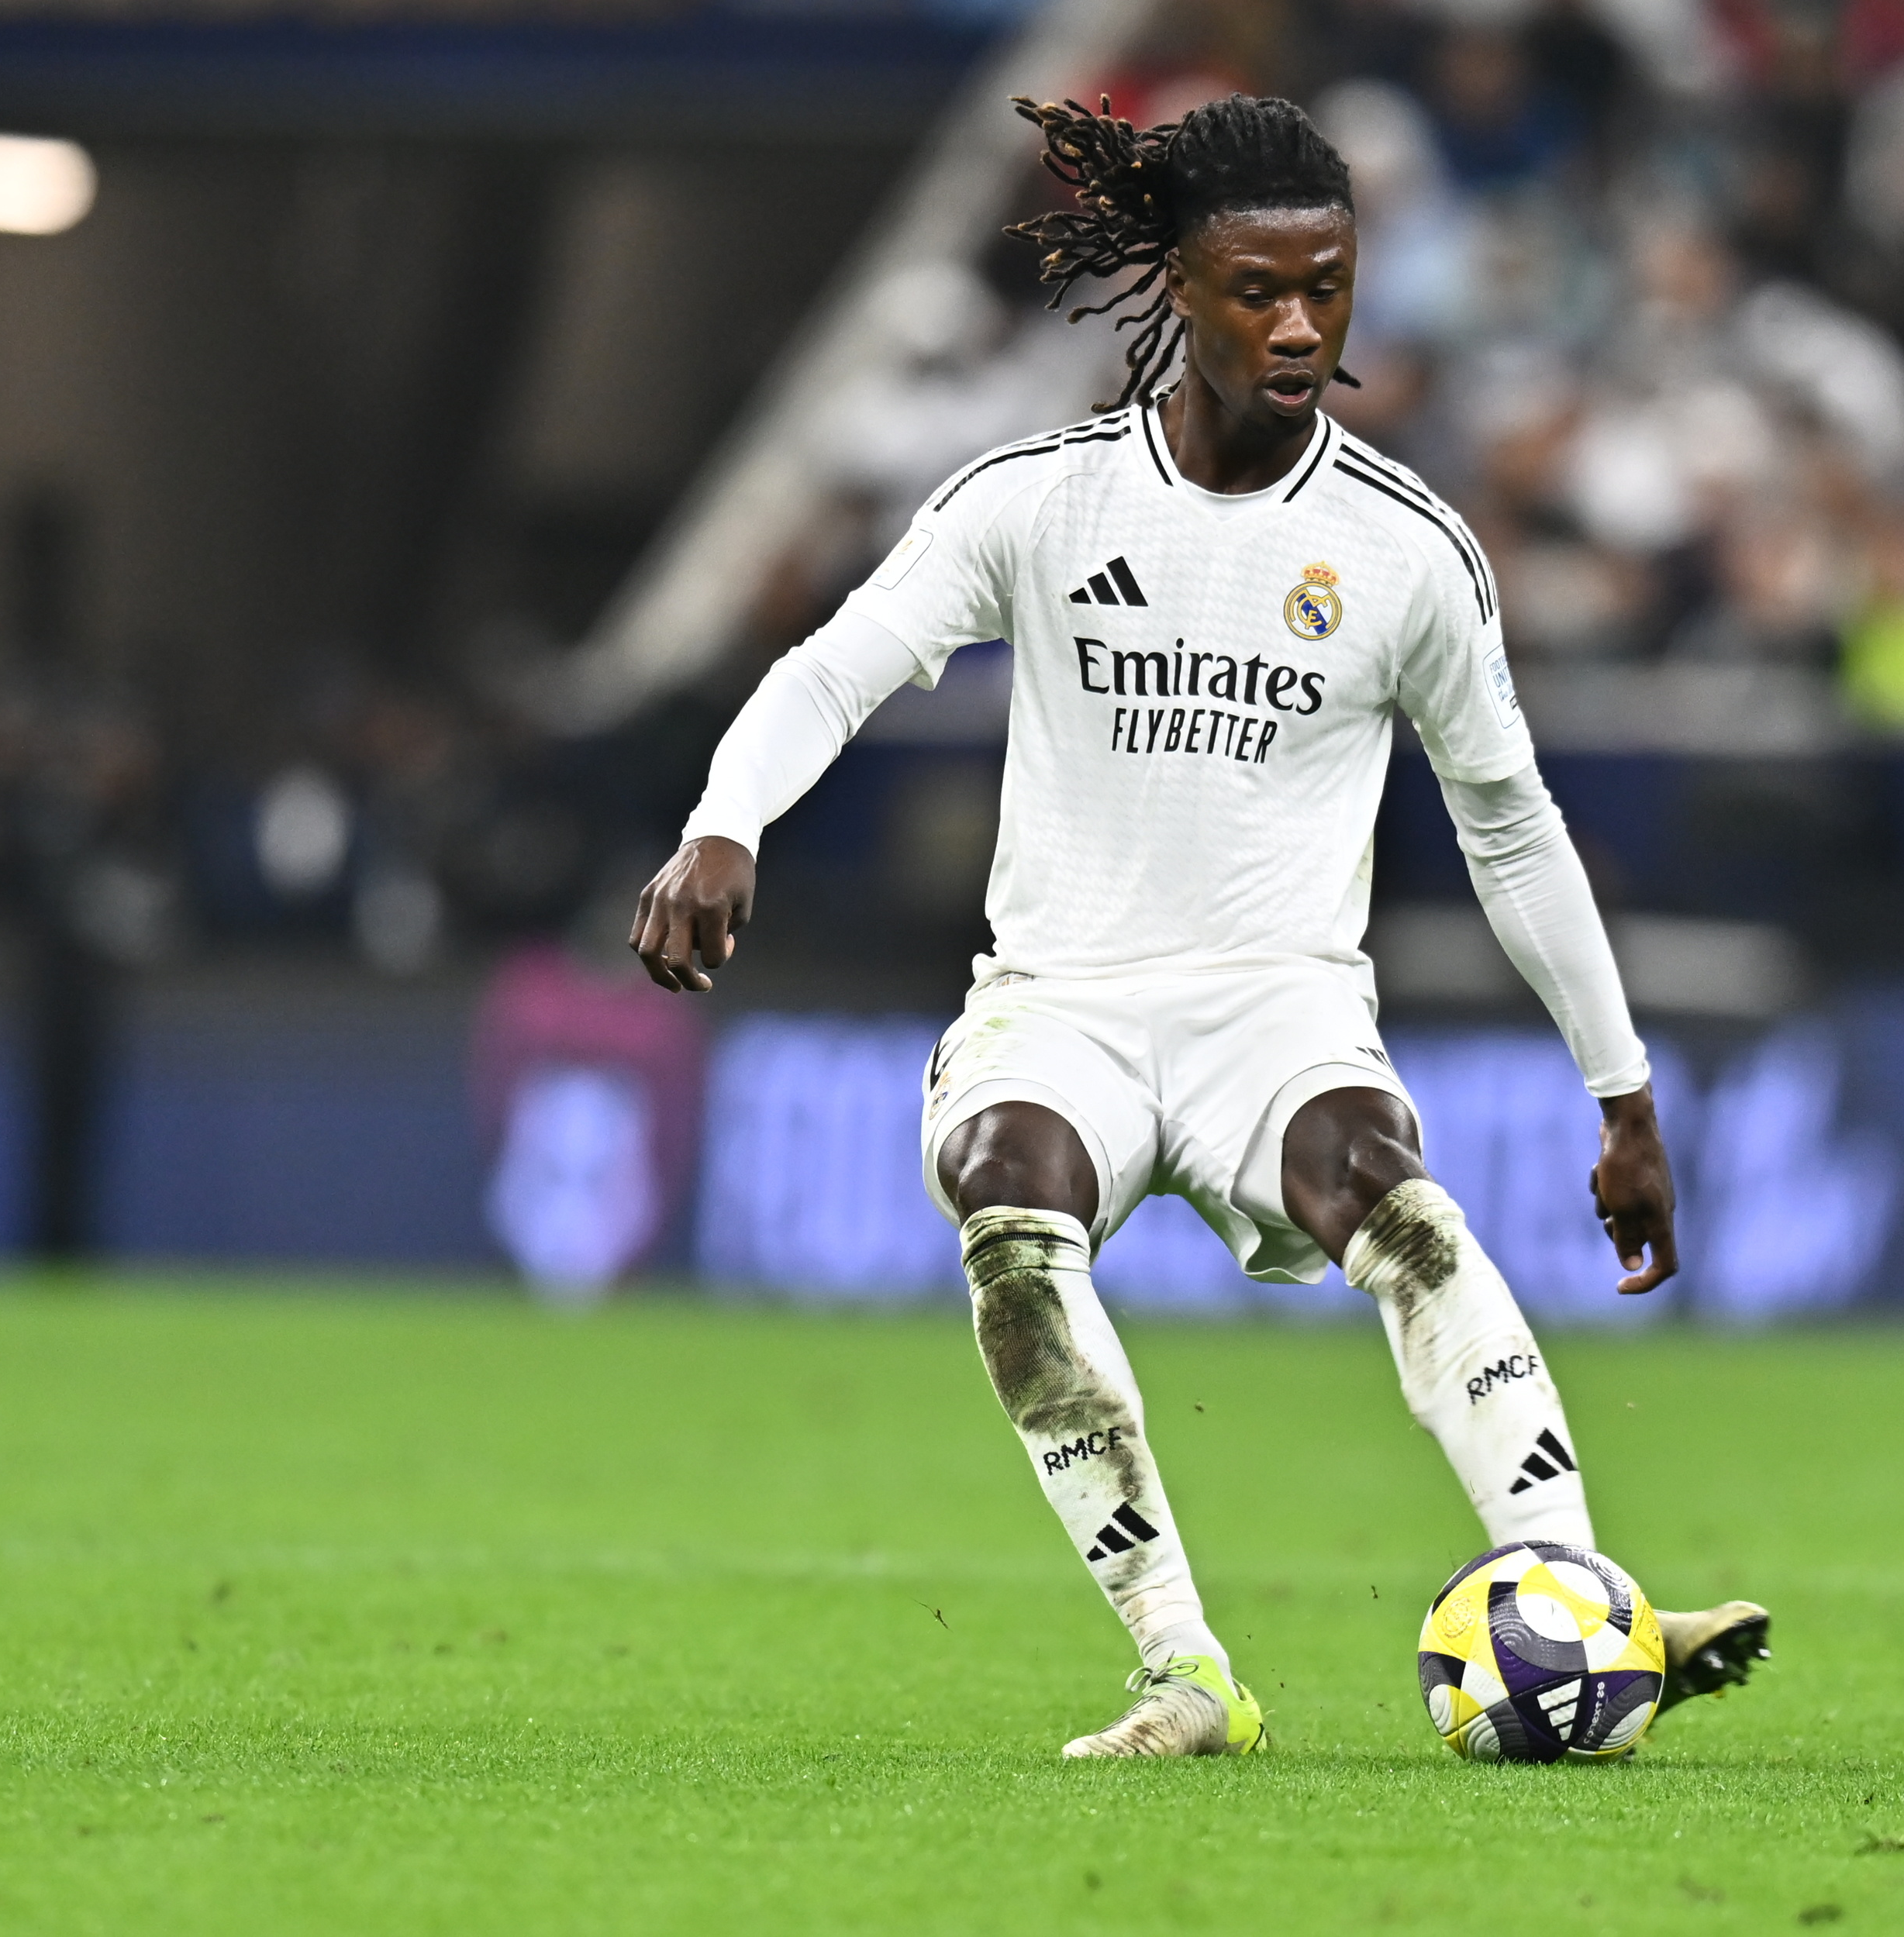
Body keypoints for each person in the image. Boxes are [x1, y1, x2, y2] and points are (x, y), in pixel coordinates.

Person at [630, 93, 1768, 1759]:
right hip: (1061, 998)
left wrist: (1621, 1089)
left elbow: (1509, 824)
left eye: (1329, 283)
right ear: (1176, 282)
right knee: (1011, 1216)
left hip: (1276, 1006)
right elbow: (831, 665)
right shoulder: (1037, 499)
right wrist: (723, 823)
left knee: (1388, 1190)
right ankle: (1184, 1667)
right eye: (1256, 288)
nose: (1299, 323)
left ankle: (1577, 1586)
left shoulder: (1404, 551)